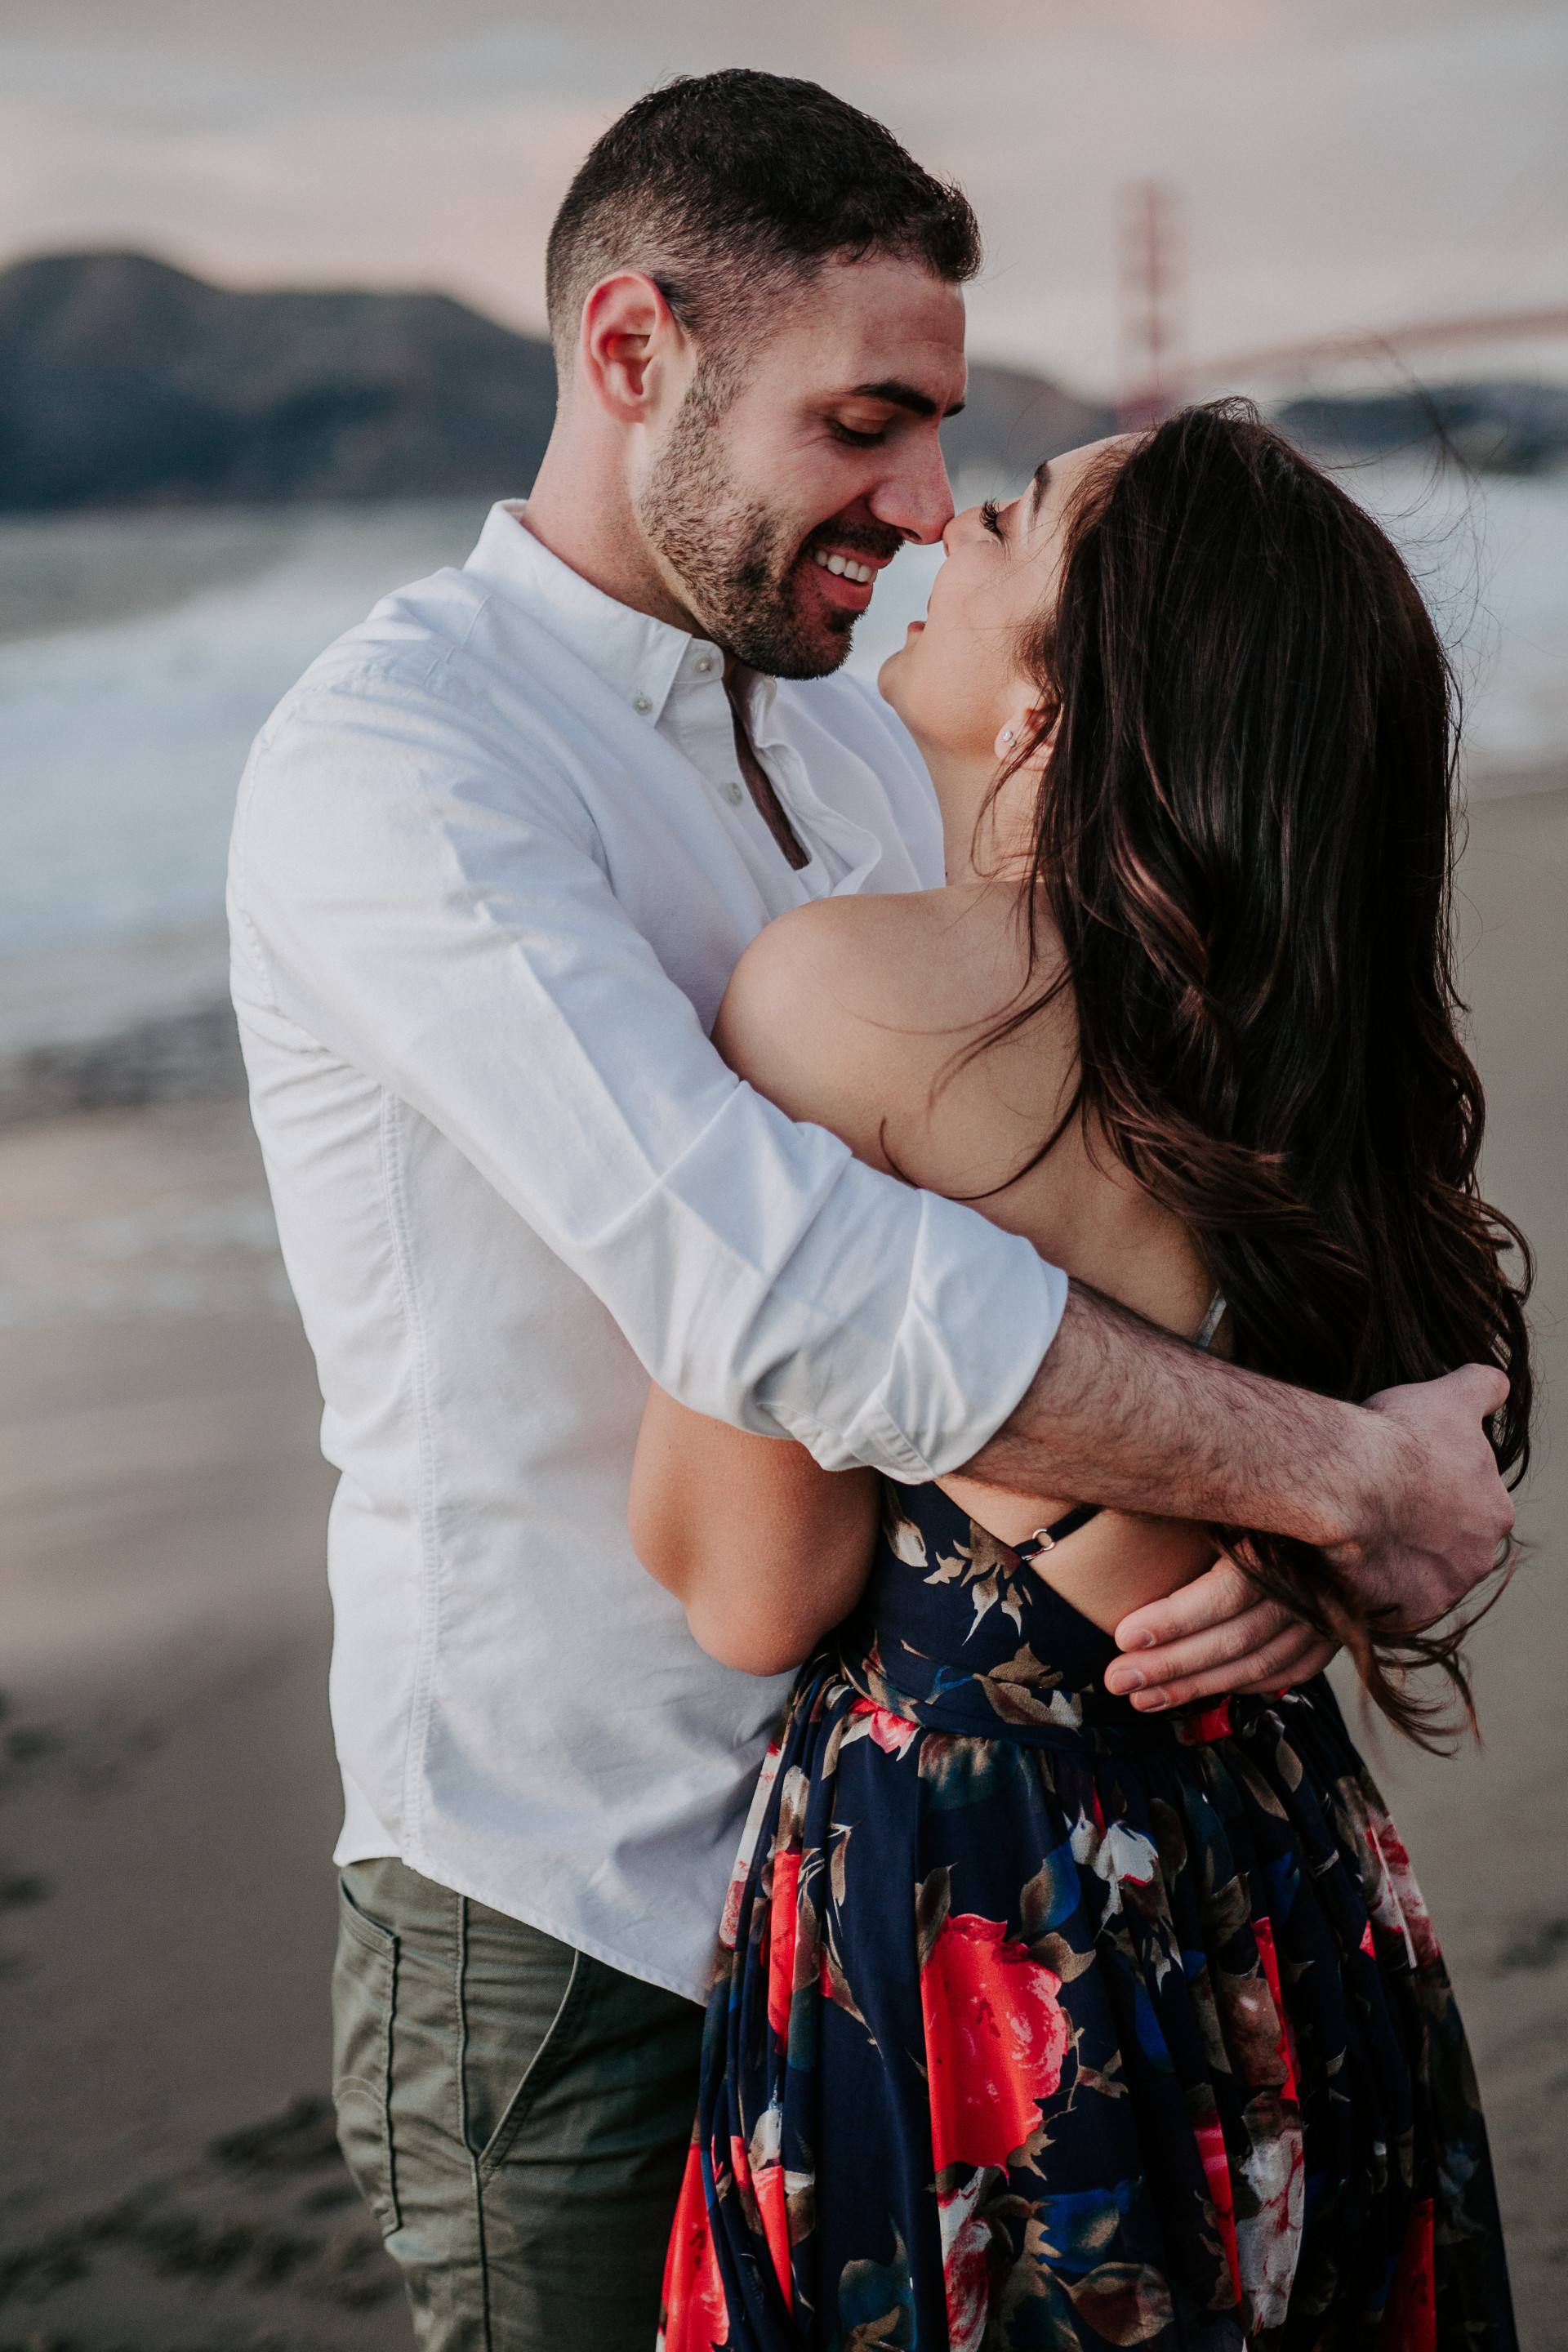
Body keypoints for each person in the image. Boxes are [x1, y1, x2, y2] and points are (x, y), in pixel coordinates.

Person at [228, 70, 1516, 2352]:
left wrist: (1298, 1539)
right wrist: (1331, 1485)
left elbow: (1158, 1155)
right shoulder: (400, 774)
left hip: (952, 1863)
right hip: (586, 1897)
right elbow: (796, 1291)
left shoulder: (857, 721)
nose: (923, 508)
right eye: (871, 422)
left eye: (950, 445)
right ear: (634, 355)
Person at [633, 411, 1530, 2352]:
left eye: (1018, 516)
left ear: (1073, 679)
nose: (953, 516)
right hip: (1283, 1883)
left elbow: (743, 1585)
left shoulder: (838, 1001)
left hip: (984, 1916)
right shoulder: (1307, 1053)